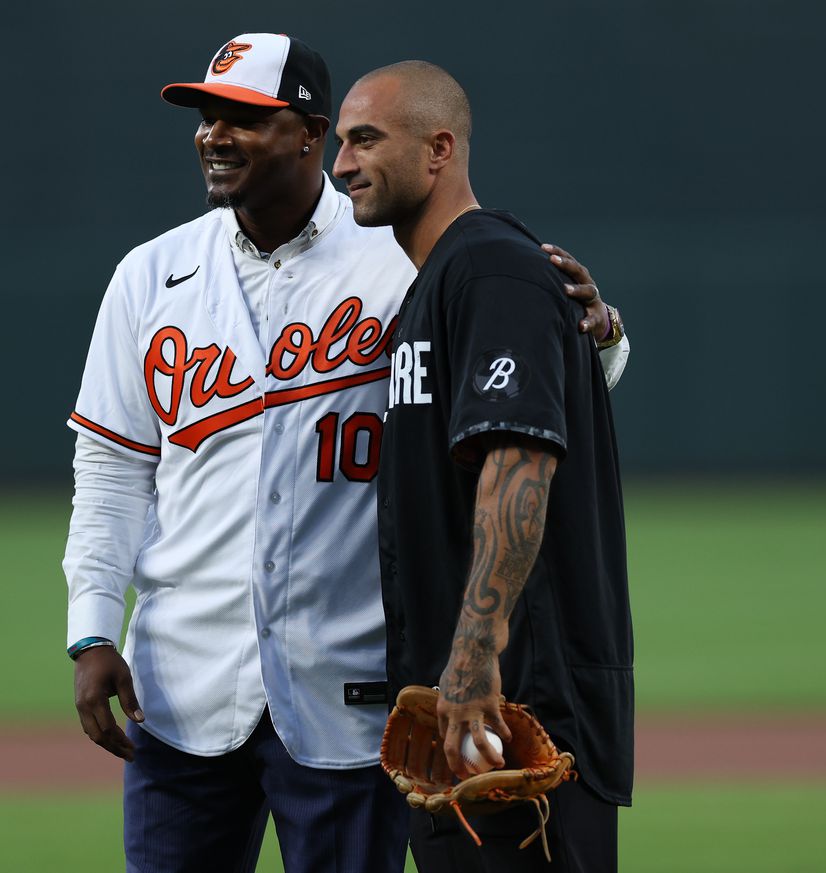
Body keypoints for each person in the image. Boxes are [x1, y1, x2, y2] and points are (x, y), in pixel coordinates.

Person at [63, 34, 628, 873]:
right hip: (181, 680)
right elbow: (113, 467)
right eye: (206, 117)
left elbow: (526, 392)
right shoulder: (150, 276)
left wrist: (602, 336)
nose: (213, 135)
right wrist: (90, 627)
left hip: (350, 692)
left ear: (308, 134)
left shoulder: (401, 254)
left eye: (242, 117)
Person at [333, 61, 633, 872]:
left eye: (365, 139)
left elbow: (521, 460)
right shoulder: (437, 284)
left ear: (439, 149)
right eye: (339, 142)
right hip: (469, 712)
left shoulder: (490, 268)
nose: (341, 164)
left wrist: (471, 658)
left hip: (517, 707)